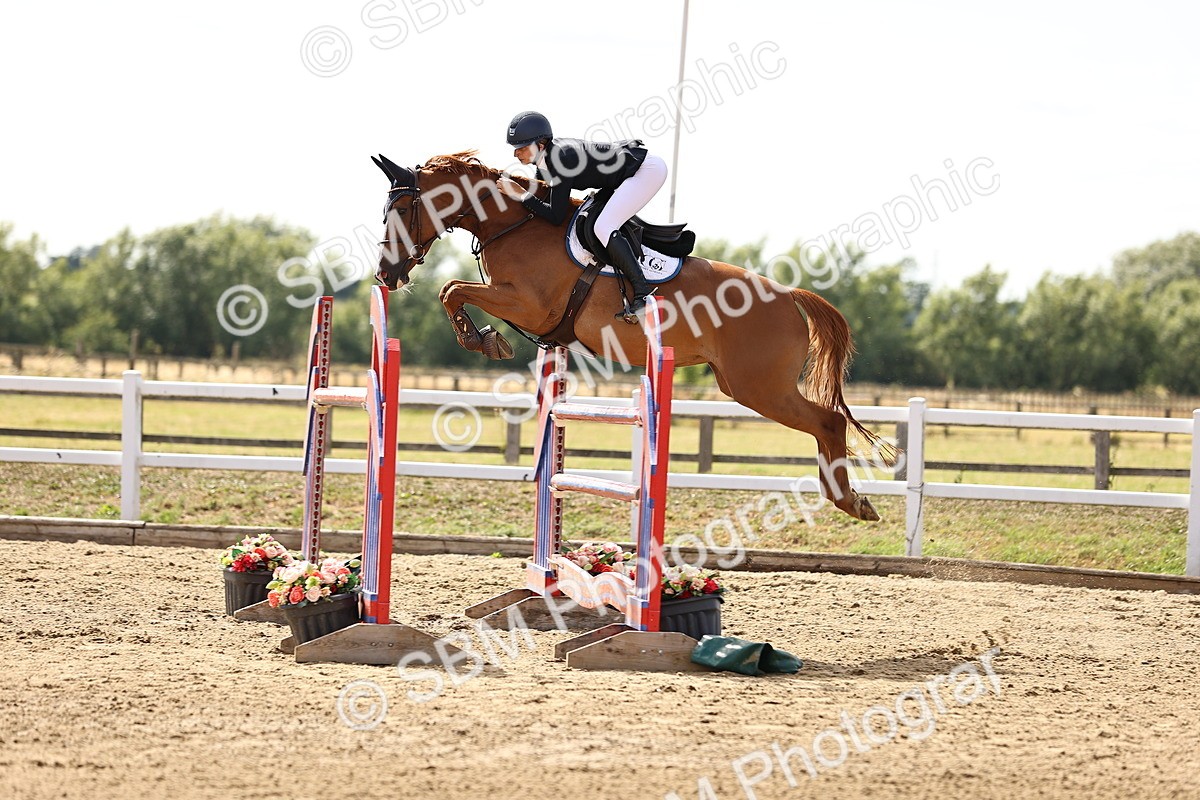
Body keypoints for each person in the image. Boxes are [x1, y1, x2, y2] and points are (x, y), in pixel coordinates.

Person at [496, 110, 668, 319]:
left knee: (603, 226)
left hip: (645, 171)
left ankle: (643, 293)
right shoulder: (546, 159)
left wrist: (518, 193)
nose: (516, 154)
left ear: (540, 145)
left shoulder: (560, 159)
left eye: (521, 148)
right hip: (624, 177)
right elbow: (541, 198)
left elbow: (555, 215)